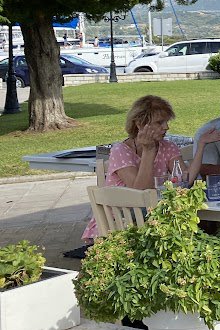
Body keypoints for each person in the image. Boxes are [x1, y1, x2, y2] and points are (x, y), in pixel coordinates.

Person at [81, 95, 200, 240]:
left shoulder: (167, 147)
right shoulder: (121, 150)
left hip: (153, 215)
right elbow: (138, 192)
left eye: (166, 122)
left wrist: (202, 146)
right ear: (140, 124)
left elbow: (184, 181)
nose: (166, 127)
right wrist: (148, 150)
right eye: (159, 122)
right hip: (120, 222)